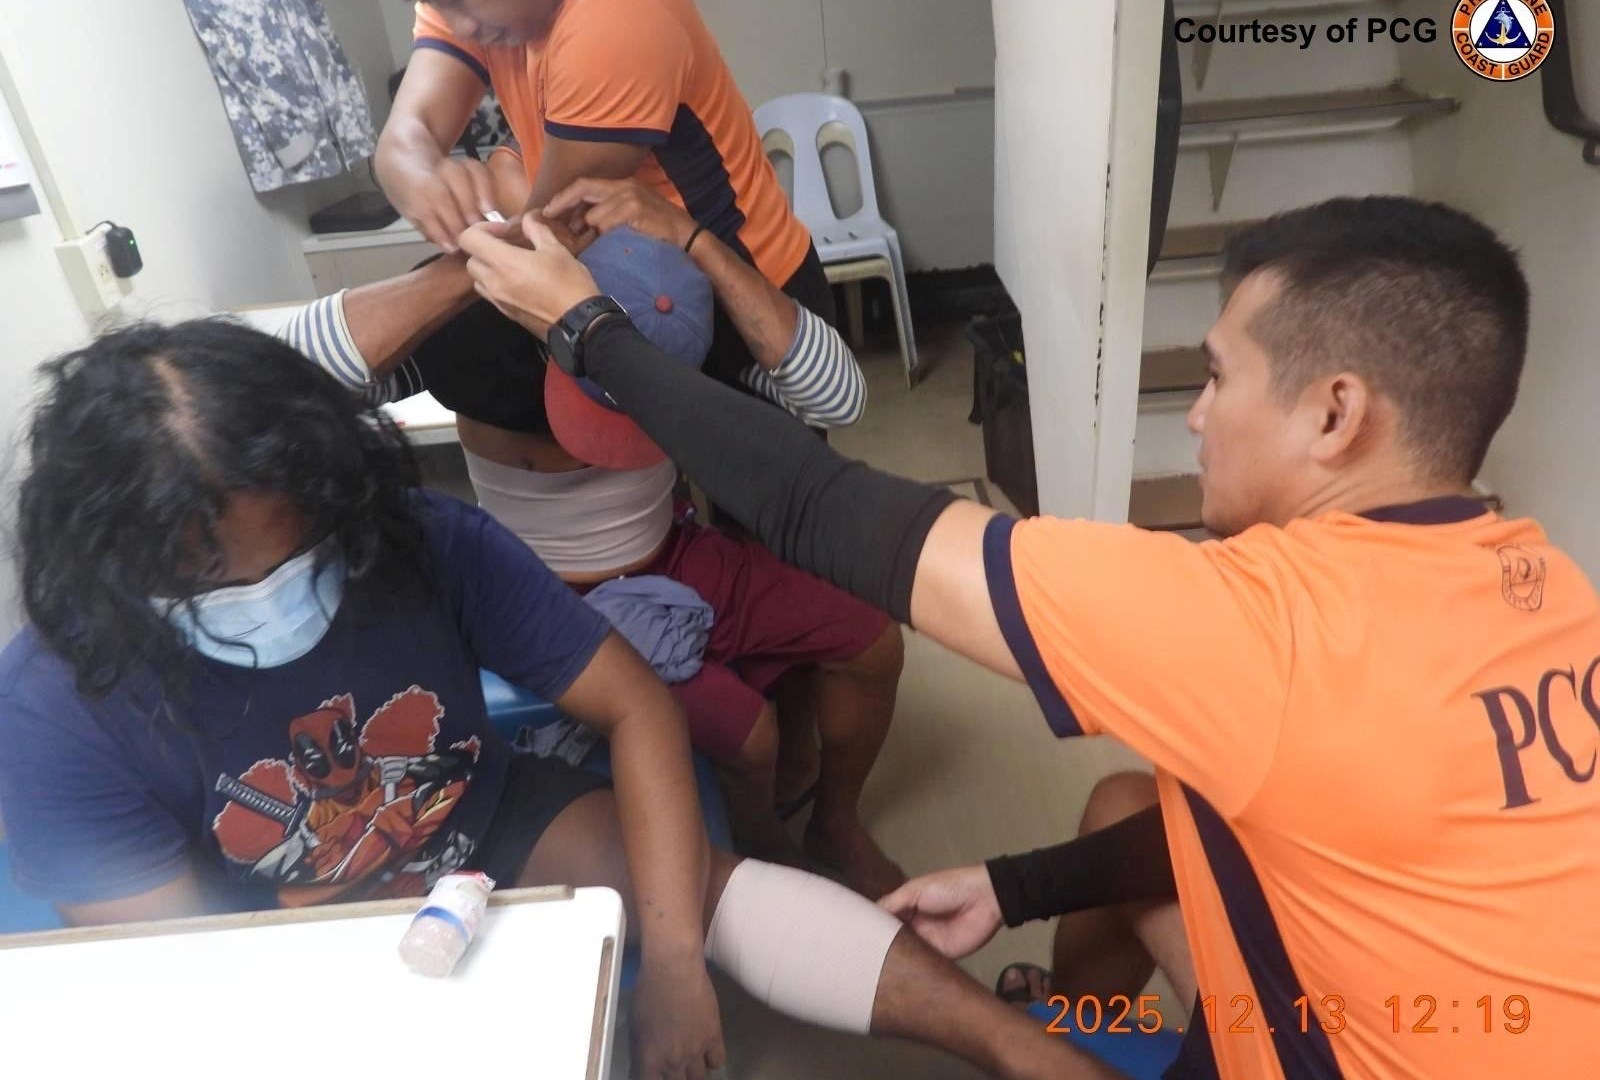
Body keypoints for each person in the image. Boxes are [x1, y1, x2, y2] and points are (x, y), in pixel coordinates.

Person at [459, 195, 1600, 1078]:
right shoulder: (1550, 587)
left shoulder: (1264, 627)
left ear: (1336, 413)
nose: (1199, 414)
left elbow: (820, 505)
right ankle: (1079, 1022)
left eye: (1218, 377)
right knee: (1129, 807)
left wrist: (585, 329)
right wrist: (1016, 886)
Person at [0, 318, 1125, 1080]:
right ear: (115, 568)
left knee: (712, 891)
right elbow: (183, 972)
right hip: (271, 922)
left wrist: (674, 962)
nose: (271, 598)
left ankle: (1024, 1047)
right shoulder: (56, 707)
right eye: (215, 583)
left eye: (297, 561)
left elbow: (636, 706)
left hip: (479, 818)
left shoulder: (418, 539)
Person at [244, 173, 904, 898]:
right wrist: (467, 269)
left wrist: (699, 244)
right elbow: (269, 382)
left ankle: (835, 823)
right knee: (753, 738)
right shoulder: (475, 332)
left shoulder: (664, 298)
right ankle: (768, 852)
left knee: (872, 638)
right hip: (545, 596)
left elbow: (840, 395)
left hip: (678, 552)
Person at [376, 0, 830, 394]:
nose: (460, 25)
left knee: (767, 471)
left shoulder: (616, 20)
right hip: (631, 280)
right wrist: (416, 173)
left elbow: (548, 232)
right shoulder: (481, 13)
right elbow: (403, 139)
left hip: (742, 288)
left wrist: (399, 321)